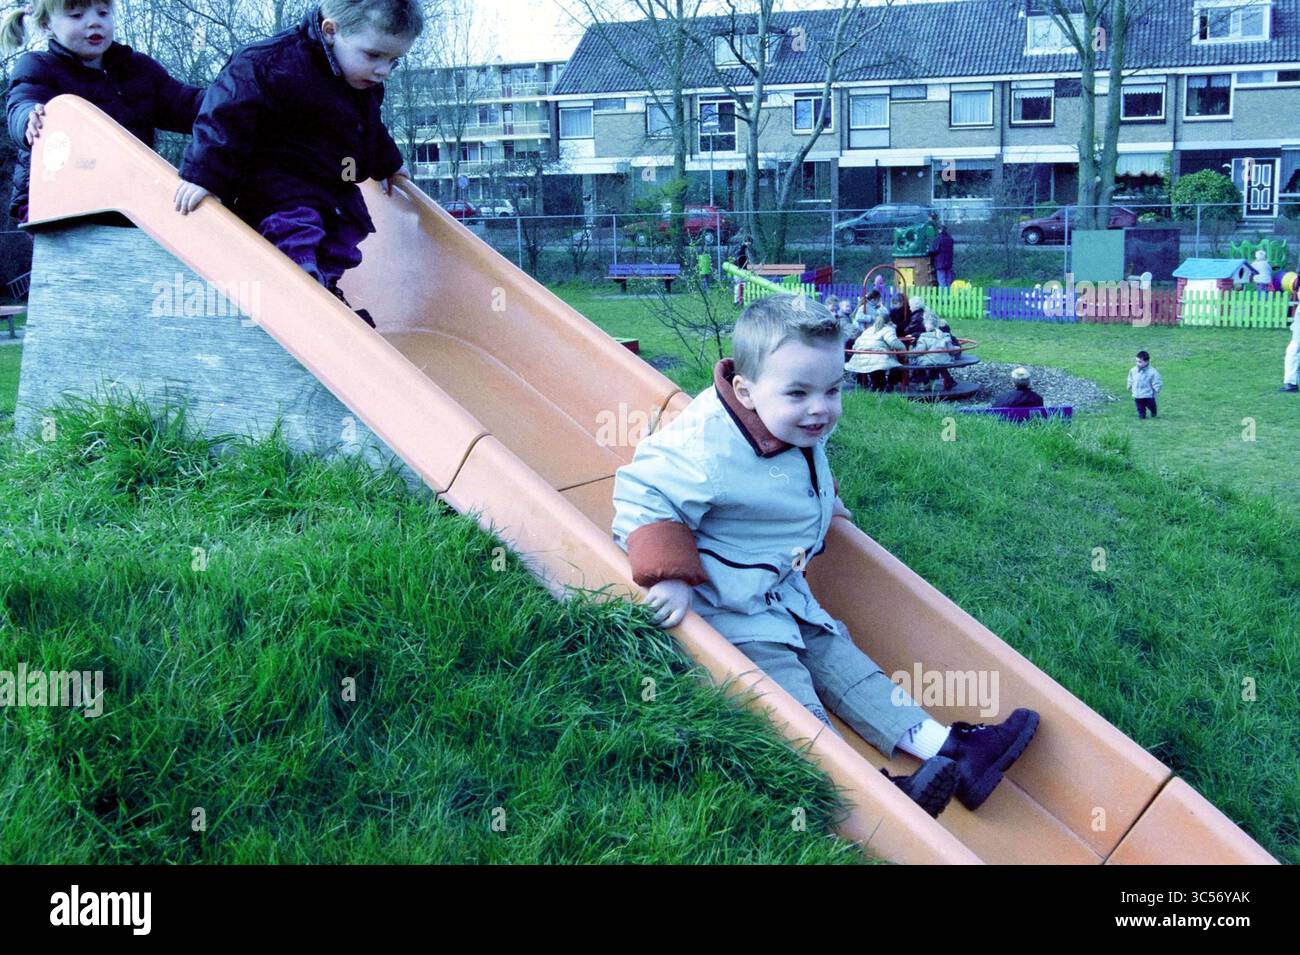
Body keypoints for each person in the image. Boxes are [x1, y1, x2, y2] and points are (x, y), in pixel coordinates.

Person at [610, 294, 1040, 818]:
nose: (821, 407)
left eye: (833, 389)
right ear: (744, 391)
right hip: (725, 604)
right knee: (788, 695)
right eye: (800, 392)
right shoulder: (706, 445)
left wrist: (825, 502)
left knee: (844, 662)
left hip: (780, 587)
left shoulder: (787, 417)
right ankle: (861, 794)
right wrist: (670, 576)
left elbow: (798, 469)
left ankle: (951, 752)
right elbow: (643, 490)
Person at [174, 0, 423, 329]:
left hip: (329, 187)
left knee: (345, 234)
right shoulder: (269, 63)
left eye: (394, 61)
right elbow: (225, 115)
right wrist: (205, 176)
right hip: (274, 184)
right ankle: (300, 281)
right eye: (373, 55)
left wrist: (388, 164)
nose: (383, 70)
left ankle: (324, 287)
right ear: (331, 31)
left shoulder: (361, 82)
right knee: (297, 222)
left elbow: (368, 128)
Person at [2, 0, 204, 224]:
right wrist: (28, 118)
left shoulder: (138, 70)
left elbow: (185, 103)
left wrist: (231, 102)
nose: (94, 22)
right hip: (54, 195)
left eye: (103, 13)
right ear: (46, 24)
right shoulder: (39, 66)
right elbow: (22, 102)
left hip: (124, 193)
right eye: (77, 15)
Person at [845, 307, 906, 392]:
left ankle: (875, 386)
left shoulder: (868, 330)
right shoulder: (888, 329)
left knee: (876, 368)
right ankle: (886, 386)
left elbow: (856, 344)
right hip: (878, 356)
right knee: (895, 366)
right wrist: (903, 348)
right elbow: (893, 341)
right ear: (889, 321)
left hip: (861, 357)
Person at [1127, 350, 1163, 419]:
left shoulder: (1152, 372)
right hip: (1137, 394)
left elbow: (1157, 381)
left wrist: (1157, 388)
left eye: (1140, 362)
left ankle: (1153, 411)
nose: (1137, 363)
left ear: (1146, 362)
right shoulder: (1133, 370)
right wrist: (1129, 385)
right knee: (1140, 407)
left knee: (1151, 405)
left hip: (1148, 394)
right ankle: (1142, 415)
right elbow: (1130, 378)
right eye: (1136, 361)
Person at [929, 222, 954, 288]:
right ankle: (949, 295)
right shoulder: (950, 239)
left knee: (942, 281)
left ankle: (943, 296)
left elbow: (934, 250)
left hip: (940, 263)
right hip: (949, 263)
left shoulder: (938, 239)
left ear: (939, 230)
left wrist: (929, 253)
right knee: (948, 281)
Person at [731, 238, 751, 305]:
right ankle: (737, 300)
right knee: (740, 284)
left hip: (741, 269)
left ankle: (739, 300)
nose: (748, 243)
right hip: (739, 269)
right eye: (747, 242)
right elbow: (740, 258)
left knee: (741, 284)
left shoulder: (742, 250)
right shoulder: (742, 249)